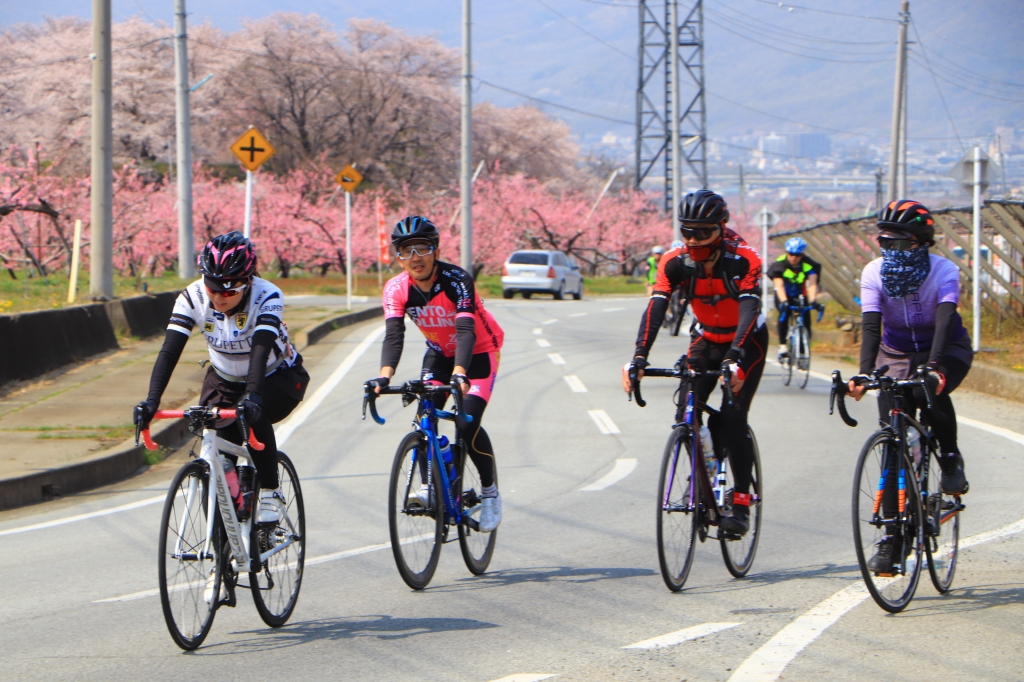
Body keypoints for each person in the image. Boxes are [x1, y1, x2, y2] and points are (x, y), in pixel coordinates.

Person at [134, 231, 309, 528]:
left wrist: (253, 395)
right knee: (215, 455)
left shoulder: (267, 294)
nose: (218, 298)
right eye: (213, 289)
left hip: (277, 376)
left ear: (248, 282)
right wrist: (152, 400)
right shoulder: (193, 296)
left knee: (255, 412)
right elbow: (169, 350)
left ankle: (270, 491)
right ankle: (224, 549)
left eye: (229, 292)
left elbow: (260, 348)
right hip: (224, 379)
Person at [622, 189, 767, 536]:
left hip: (745, 340)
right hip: (705, 335)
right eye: (687, 231)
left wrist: (734, 358)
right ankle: (702, 469)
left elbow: (750, 309)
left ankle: (742, 500)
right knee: (687, 407)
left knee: (733, 417)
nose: (693, 239)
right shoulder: (674, 260)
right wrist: (639, 357)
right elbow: (656, 307)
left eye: (702, 232)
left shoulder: (744, 259)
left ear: (721, 228)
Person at [846, 200, 972, 572]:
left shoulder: (943, 270)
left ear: (919, 244)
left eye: (898, 245)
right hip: (896, 351)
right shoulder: (873, 272)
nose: (889, 253)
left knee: (928, 388)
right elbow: (870, 326)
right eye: (884, 244)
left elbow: (946, 321)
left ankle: (949, 455)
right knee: (892, 443)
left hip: (945, 347)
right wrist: (865, 374)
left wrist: (933, 367)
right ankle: (891, 540)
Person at [365, 216, 506, 532]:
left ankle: (490, 492)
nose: (415, 257)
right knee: (424, 410)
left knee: (466, 422)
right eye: (405, 251)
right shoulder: (397, 288)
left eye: (422, 248)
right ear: (398, 257)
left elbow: (466, 329)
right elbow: (393, 335)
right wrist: (384, 377)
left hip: (479, 354)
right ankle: (432, 481)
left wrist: (460, 373)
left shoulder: (456, 280)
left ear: (435, 249)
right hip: (440, 353)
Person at [768, 236, 823, 361]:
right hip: (784, 294)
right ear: (787, 252)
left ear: (802, 254)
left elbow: (813, 284)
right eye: (791, 254)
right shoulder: (779, 264)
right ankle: (782, 346)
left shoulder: (809, 264)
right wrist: (784, 302)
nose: (794, 257)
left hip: (799, 293)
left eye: (797, 255)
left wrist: (813, 301)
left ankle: (803, 350)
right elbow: (779, 286)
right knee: (784, 313)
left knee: (806, 319)